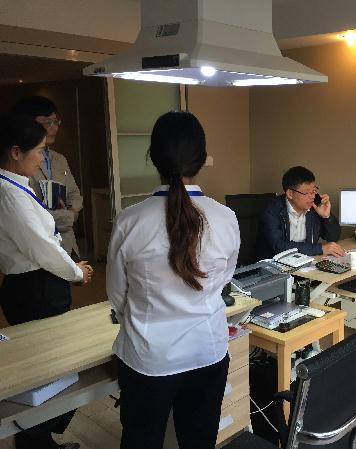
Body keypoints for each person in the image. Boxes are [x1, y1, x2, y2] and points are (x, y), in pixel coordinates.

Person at [106, 111, 240, 449]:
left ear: (153, 157)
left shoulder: (129, 221)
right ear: (202, 158)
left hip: (149, 357)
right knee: (199, 441)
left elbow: (117, 295)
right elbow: (223, 280)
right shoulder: (226, 218)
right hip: (207, 351)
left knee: (141, 441)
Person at [0, 113, 93, 449]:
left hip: (36, 282)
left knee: (51, 370)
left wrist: (69, 266)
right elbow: (42, 248)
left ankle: (38, 441)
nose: (42, 158)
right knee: (55, 369)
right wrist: (77, 272)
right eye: (39, 151)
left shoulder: (15, 185)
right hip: (35, 288)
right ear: (15, 152)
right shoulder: (10, 195)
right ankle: (34, 438)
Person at [12, 96, 83, 258]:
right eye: (48, 122)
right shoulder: (18, 162)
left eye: (56, 122)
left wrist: (72, 212)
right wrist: (69, 217)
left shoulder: (59, 159)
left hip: (66, 243)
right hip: (38, 248)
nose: (54, 127)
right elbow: (31, 215)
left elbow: (74, 194)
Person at [256, 165, 344, 260]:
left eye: (314, 191)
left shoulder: (315, 206)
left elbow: (333, 237)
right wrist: (320, 248)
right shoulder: (271, 211)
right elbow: (279, 246)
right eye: (307, 192)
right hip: (276, 264)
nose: (312, 196)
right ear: (290, 194)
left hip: (305, 261)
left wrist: (326, 217)